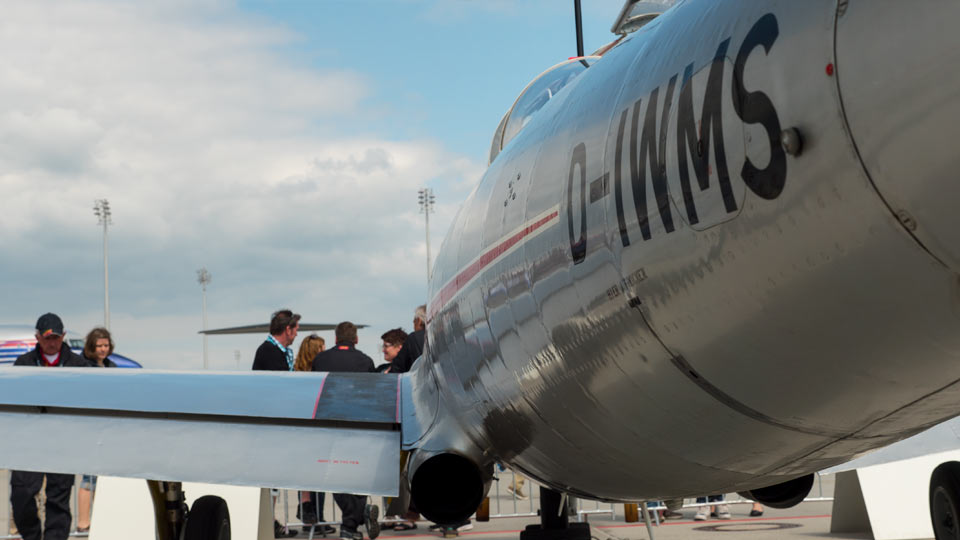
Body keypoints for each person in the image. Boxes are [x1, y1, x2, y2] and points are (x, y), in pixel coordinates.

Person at [10, 313, 89, 540]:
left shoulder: (79, 366)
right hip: (29, 440)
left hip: (62, 440)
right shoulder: (23, 364)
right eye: (47, 338)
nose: (52, 342)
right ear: (37, 337)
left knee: (58, 501)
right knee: (21, 496)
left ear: (63, 336)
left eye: (56, 337)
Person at [312, 322, 380, 540]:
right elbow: (373, 395)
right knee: (359, 475)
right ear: (356, 339)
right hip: (358, 426)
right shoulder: (366, 361)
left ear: (335, 339)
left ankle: (352, 522)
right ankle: (354, 520)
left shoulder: (320, 360)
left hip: (329, 426)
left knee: (334, 476)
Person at [252, 309, 301, 538]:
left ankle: (270, 522)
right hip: (270, 425)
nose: (297, 334)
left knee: (274, 478)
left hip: (274, 424)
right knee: (270, 477)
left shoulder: (277, 351)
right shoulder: (269, 352)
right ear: (287, 329)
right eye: (296, 329)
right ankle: (268, 523)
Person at [293, 334, 335, 535]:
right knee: (313, 475)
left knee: (314, 475)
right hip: (311, 430)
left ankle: (314, 515)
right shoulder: (311, 375)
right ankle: (311, 515)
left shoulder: (297, 373)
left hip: (306, 430)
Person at [76, 327, 117, 531]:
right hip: (91, 427)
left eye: (106, 345)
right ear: (92, 347)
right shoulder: (84, 367)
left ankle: (102, 519)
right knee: (88, 477)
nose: (103, 349)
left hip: (108, 427)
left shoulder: (111, 366)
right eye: (99, 345)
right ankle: (84, 521)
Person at [391, 306, 425, 373]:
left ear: (419, 320)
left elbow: (398, 366)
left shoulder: (414, 337)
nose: (413, 323)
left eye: (414, 320)